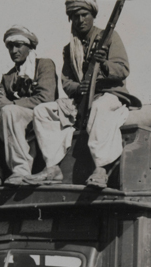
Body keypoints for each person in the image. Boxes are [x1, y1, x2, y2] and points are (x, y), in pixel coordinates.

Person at [25, 0, 141, 188]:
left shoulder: (109, 37)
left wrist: (103, 65)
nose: (80, 20)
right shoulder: (69, 48)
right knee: (42, 111)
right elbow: (66, 81)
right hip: (80, 99)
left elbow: (122, 69)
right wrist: (79, 89)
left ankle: (101, 169)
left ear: (93, 15)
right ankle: (52, 167)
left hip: (108, 94)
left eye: (84, 15)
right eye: (75, 16)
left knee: (99, 107)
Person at [0, 26, 58, 189]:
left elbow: (46, 98)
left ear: (30, 46)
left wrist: (12, 104)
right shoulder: (8, 77)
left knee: (9, 111)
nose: (13, 50)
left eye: (18, 45)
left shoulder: (44, 65)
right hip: (13, 122)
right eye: (10, 46)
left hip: (39, 121)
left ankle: (21, 171)